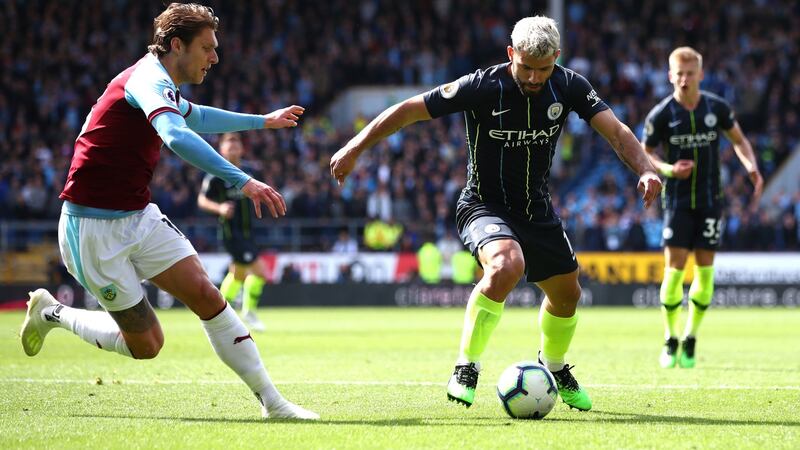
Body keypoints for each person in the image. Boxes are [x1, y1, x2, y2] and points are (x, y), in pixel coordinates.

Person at [330, 16, 662, 411]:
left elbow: (617, 132)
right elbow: (408, 110)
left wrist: (644, 168)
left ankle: (553, 366)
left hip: (535, 209)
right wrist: (355, 147)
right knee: (507, 265)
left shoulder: (570, 85)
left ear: (557, 57)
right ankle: (466, 365)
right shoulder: (481, 86)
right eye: (527, 68)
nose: (536, 78)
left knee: (568, 294)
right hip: (482, 204)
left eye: (544, 69)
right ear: (511, 54)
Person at [19, 3, 317, 420]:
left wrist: (262, 122)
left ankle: (274, 403)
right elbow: (176, 133)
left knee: (205, 292)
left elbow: (196, 116)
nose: (215, 57)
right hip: (92, 229)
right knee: (147, 345)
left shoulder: (163, 86)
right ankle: (53, 312)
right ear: (177, 45)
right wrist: (242, 180)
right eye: (208, 48)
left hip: (137, 216)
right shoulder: (146, 79)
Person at [642, 46, 763, 369]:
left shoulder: (717, 107)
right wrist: (668, 170)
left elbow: (738, 140)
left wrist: (750, 165)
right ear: (670, 76)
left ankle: (691, 338)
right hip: (678, 201)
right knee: (675, 269)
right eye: (678, 74)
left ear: (700, 74)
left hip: (711, 201)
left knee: (706, 272)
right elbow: (645, 153)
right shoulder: (662, 114)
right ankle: (670, 338)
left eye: (689, 73)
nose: (683, 79)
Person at [198, 132, 267, 332]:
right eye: (229, 144)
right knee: (260, 271)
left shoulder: (249, 172)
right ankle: (248, 311)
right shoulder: (216, 173)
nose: (233, 147)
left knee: (238, 274)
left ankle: (220, 314)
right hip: (231, 233)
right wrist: (219, 208)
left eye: (236, 144)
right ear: (222, 150)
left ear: (242, 149)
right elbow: (202, 200)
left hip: (249, 231)